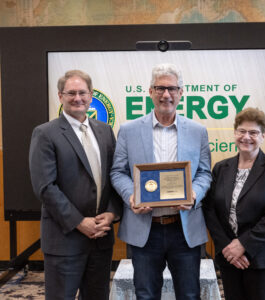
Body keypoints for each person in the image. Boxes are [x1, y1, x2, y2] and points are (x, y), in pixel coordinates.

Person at [110, 63, 212, 299]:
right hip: (145, 229)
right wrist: (131, 196)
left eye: (172, 89)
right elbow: (118, 172)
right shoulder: (128, 130)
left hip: (183, 229)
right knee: (145, 295)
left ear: (181, 93)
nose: (166, 94)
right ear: (150, 92)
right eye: (160, 88)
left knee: (189, 294)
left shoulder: (198, 131)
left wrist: (194, 195)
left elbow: (205, 173)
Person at [29, 70, 122, 300]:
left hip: (100, 239)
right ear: (60, 96)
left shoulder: (105, 131)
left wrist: (111, 214)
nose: (77, 98)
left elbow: (116, 176)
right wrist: (79, 222)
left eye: (82, 92)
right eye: (71, 93)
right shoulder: (45, 133)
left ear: (91, 96)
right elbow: (45, 187)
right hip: (64, 239)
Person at [203, 107, 265, 300]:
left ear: (263, 136)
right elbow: (210, 209)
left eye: (253, 132)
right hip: (229, 258)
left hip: (264, 257)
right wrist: (227, 247)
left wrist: (243, 245)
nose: (246, 137)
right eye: (242, 131)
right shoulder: (221, 168)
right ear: (235, 133)